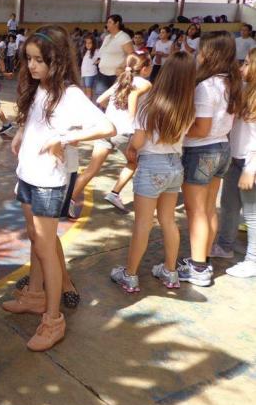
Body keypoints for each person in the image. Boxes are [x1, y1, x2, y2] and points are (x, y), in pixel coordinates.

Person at [3, 26, 115, 351]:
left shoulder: (71, 94)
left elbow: (107, 126)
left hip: (49, 183)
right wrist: (23, 132)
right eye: (29, 59)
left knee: (46, 248)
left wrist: (65, 139)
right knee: (35, 240)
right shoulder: (41, 89)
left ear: (58, 59)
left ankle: (53, 320)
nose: (33, 66)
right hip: (28, 175)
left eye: (39, 60)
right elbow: (37, 119)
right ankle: (36, 295)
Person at [110, 52, 196, 293]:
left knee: (143, 224)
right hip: (174, 166)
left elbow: (138, 141)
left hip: (151, 166)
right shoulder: (188, 108)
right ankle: (170, 272)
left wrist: (130, 147)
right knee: (168, 220)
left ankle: (130, 275)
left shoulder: (150, 103)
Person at [178, 31, 242, 287]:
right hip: (222, 149)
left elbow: (201, 129)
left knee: (196, 213)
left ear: (210, 54)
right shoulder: (231, 83)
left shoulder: (206, 87)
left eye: (201, 50)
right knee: (208, 208)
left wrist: (177, 134)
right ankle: (201, 257)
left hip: (201, 151)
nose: (197, 55)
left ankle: (198, 267)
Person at [68, 52, 153, 219]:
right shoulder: (145, 83)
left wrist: (112, 112)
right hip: (124, 131)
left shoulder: (121, 81)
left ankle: (69, 200)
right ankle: (115, 193)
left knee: (92, 168)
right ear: (144, 69)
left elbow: (100, 99)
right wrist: (131, 118)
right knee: (134, 162)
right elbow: (134, 96)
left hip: (107, 129)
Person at [212, 48, 256, 278]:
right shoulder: (246, 90)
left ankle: (253, 260)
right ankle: (224, 245)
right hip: (235, 158)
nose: (241, 68)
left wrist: (251, 168)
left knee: (251, 213)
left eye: (247, 63)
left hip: (250, 163)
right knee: (229, 205)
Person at [96, 14, 133, 100]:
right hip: (102, 73)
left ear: (117, 23)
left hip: (115, 75)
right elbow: (104, 52)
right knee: (101, 98)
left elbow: (131, 54)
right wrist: (101, 60)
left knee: (113, 98)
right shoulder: (107, 37)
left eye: (109, 22)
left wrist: (122, 67)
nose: (107, 24)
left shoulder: (124, 37)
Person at [80, 33, 101, 99]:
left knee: (88, 89)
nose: (87, 45)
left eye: (90, 43)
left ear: (93, 43)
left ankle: (89, 102)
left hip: (90, 73)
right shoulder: (86, 51)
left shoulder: (96, 51)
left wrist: (96, 62)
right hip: (84, 73)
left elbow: (102, 57)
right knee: (86, 89)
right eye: (86, 43)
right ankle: (88, 101)